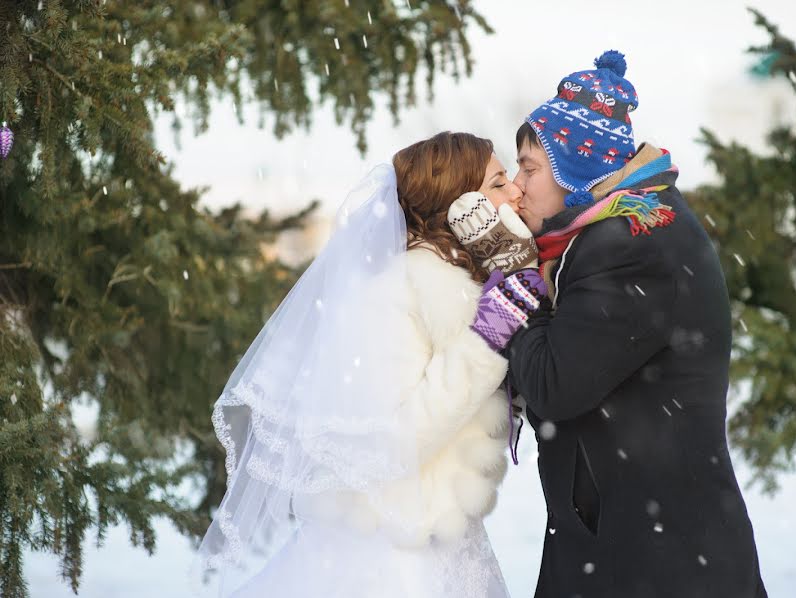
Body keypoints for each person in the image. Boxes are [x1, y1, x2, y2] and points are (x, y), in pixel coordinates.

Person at [452, 50, 768, 598]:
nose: (519, 186)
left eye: (529, 167)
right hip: (634, 543)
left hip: (655, 559)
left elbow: (553, 384)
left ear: (577, 167)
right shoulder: (615, 229)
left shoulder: (628, 244)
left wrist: (511, 271)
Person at [192, 132, 547, 597]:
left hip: (451, 545)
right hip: (396, 555)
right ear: (458, 203)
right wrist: (485, 341)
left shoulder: (471, 283)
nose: (516, 191)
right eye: (498, 182)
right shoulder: (391, 291)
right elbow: (392, 439)